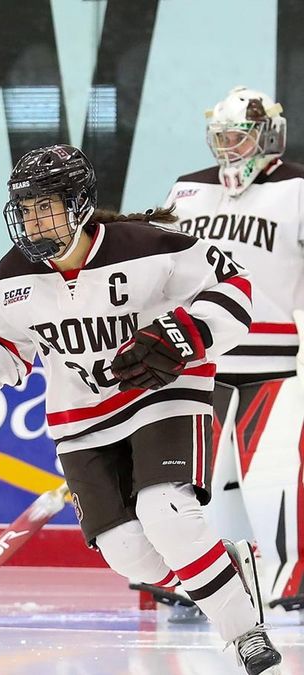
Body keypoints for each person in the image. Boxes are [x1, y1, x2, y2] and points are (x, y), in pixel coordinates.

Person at [0, 143, 281, 674]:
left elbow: (235, 285)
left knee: (167, 513)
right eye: (25, 208)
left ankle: (244, 635)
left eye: (44, 205)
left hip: (162, 394)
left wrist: (183, 336)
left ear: (78, 204)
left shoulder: (148, 246)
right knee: (127, 552)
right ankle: (223, 573)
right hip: (82, 418)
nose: (33, 220)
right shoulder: (10, 277)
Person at [164, 86, 304, 611]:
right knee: (190, 476)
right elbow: (165, 268)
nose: (228, 148)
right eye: (220, 137)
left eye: (239, 138)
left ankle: (289, 576)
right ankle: (190, 578)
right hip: (201, 357)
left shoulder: (297, 188)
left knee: (276, 475)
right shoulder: (186, 190)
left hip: (276, 360)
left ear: (267, 137)